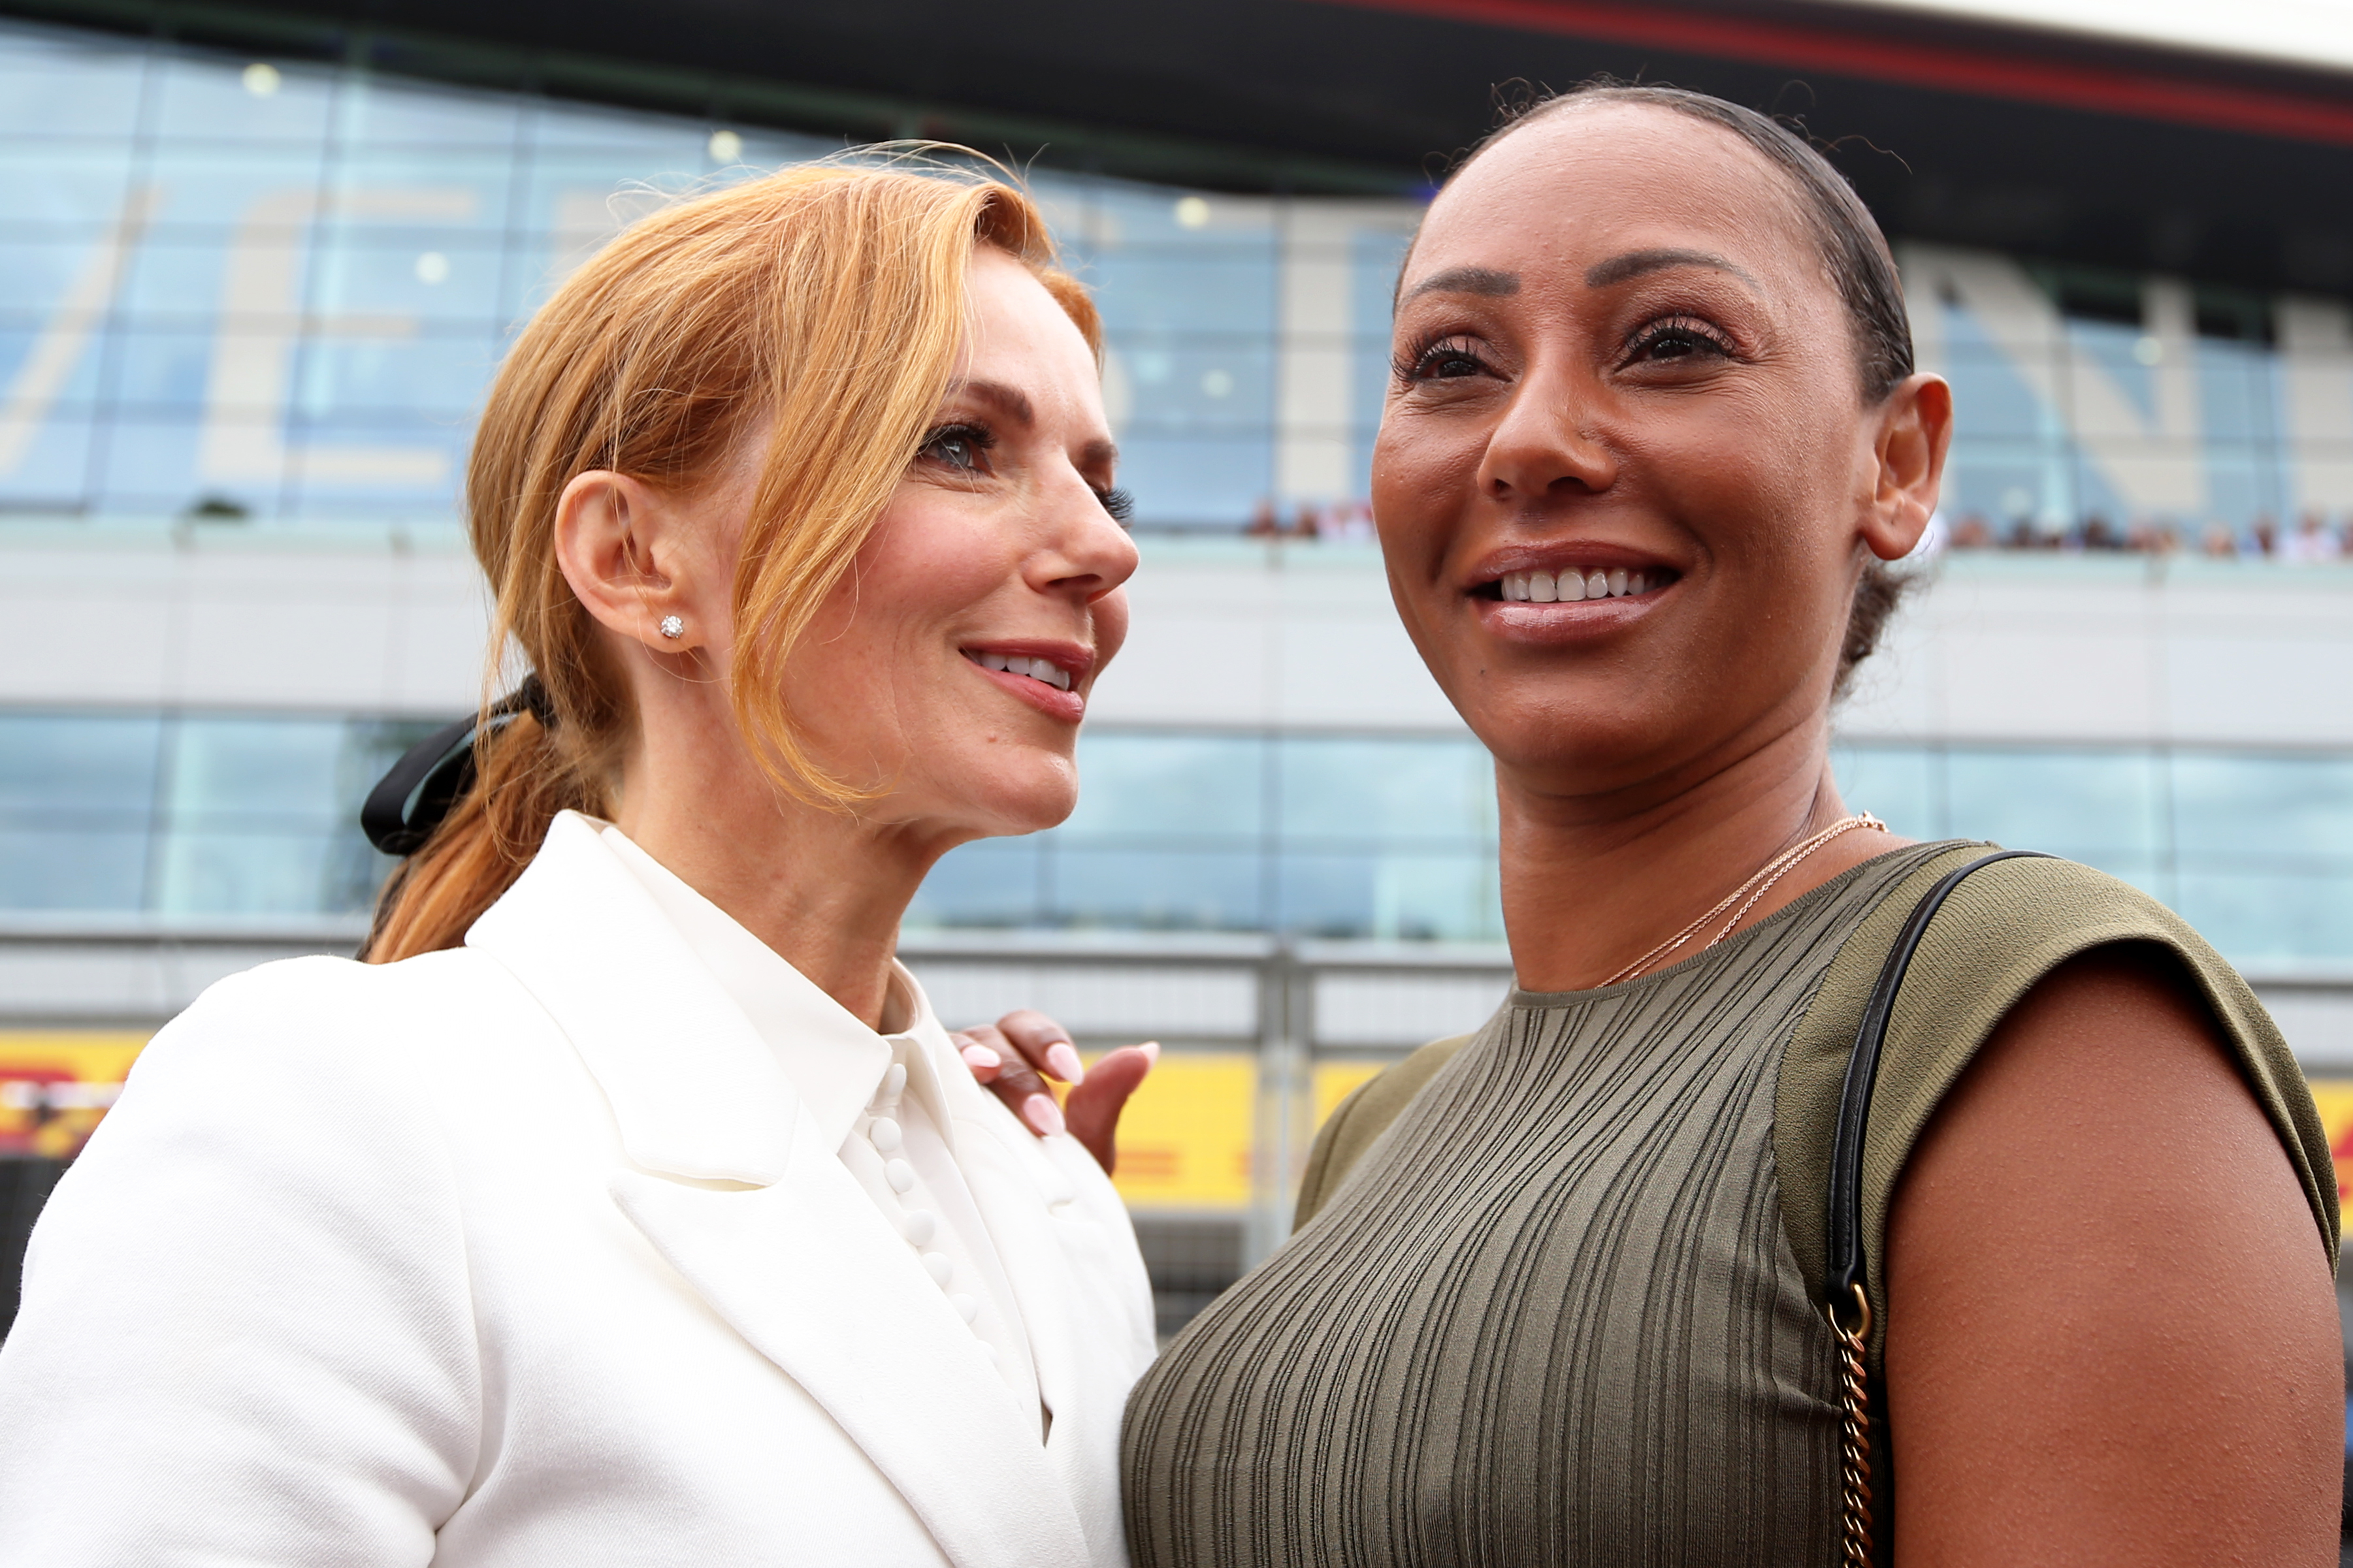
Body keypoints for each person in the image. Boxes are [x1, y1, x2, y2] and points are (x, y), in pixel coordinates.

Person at [1118, 85, 2342, 1566]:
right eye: (1450, 362)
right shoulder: (1376, 1133)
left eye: (1673, 344)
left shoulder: (2039, 1018)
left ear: (1895, 465)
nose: (1531, 440)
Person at [0, 158, 1161, 1566]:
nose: (1104, 549)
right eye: (963, 445)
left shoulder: (1053, 1200)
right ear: (632, 558)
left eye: (1102, 480)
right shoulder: (334, 1113)